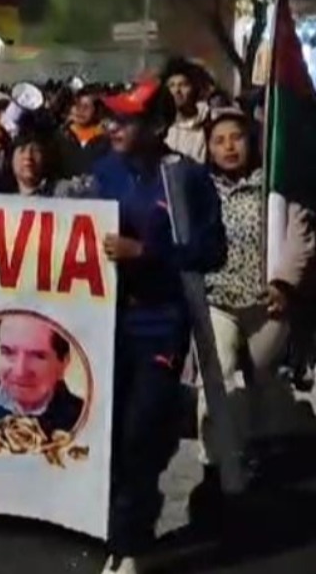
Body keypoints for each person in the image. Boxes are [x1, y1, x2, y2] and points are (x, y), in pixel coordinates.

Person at [91, 82, 227, 574]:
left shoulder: (186, 177)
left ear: (157, 127)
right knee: (106, 437)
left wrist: (146, 254)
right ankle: (118, 535)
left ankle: (132, 546)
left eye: (125, 120)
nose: (113, 127)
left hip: (160, 325)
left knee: (139, 434)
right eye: (111, 118)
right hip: (102, 324)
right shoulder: (101, 170)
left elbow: (213, 251)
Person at [190, 108, 314, 528]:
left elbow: (302, 237)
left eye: (236, 138)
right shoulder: (199, 187)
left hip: (267, 303)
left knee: (263, 383)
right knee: (217, 378)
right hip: (216, 300)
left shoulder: (276, 191)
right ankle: (216, 465)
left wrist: (284, 284)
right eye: (219, 140)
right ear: (207, 147)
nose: (228, 147)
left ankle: (257, 456)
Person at [0, 314, 85, 437]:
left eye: (38, 356)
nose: (19, 371)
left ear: (63, 364)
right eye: (8, 352)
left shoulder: (80, 419)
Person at [159, 58, 210, 163]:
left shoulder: (208, 123)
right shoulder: (161, 127)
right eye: (171, 85)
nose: (177, 91)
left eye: (183, 85)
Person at [56, 88, 112, 178]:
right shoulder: (60, 137)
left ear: (97, 110)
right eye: (77, 104)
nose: (81, 110)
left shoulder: (107, 140)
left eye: (87, 106)